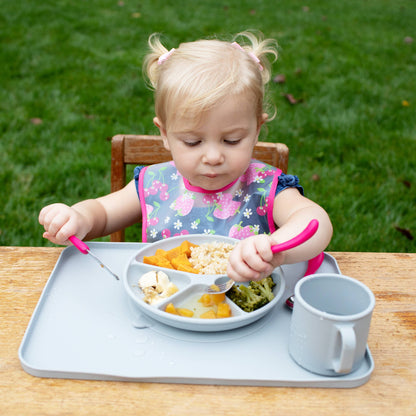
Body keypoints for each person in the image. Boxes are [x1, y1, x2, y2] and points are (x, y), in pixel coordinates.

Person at [39, 31, 333, 282]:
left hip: (243, 318)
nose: (214, 156)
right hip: (163, 312)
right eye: (193, 142)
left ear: (257, 130)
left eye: (232, 140)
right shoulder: (156, 184)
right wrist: (77, 217)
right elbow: (101, 216)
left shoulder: (265, 187)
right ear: (165, 134)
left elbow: (315, 222)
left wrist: (275, 250)